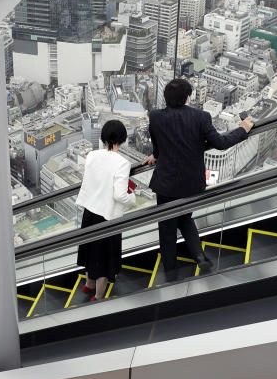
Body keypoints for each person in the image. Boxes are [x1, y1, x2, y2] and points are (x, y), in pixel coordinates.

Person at [143, 79, 254, 281]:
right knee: (184, 217)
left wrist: (156, 155)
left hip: (166, 184)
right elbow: (220, 143)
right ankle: (199, 255)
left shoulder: (156, 117)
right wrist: (242, 129)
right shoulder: (201, 117)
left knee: (167, 229)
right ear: (188, 97)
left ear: (165, 98)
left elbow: (159, 145)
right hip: (192, 183)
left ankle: (171, 273)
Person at [75, 119, 139, 301]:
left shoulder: (92, 155)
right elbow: (120, 195)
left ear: (103, 137)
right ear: (123, 139)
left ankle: (89, 285)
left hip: (89, 211)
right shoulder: (122, 163)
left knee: (89, 250)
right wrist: (132, 198)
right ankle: (98, 296)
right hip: (107, 216)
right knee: (102, 258)